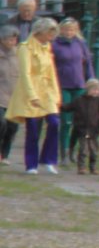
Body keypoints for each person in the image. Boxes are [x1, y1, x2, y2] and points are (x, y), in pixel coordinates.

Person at [7, 17, 63, 173]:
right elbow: (25, 74)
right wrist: (32, 96)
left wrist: (56, 94)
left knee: (54, 122)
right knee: (33, 128)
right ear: (40, 32)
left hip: (47, 91)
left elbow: (52, 72)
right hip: (30, 90)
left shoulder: (47, 48)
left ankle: (48, 159)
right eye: (49, 33)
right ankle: (31, 164)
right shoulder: (25, 48)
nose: (51, 37)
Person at [52, 17, 92, 155]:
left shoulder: (80, 43)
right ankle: (63, 150)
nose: (69, 32)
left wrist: (91, 80)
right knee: (66, 120)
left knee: (80, 120)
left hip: (79, 84)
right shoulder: (55, 44)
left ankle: (75, 149)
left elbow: (88, 63)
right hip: (63, 85)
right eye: (66, 29)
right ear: (61, 30)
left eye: (72, 30)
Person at [67, 78, 99, 174]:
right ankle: (81, 167)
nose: (96, 92)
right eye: (94, 89)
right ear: (88, 89)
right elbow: (68, 107)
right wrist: (59, 106)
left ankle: (93, 167)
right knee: (83, 149)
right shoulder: (79, 100)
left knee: (94, 150)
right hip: (81, 129)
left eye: (98, 90)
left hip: (94, 130)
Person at [0, 25, 19, 164]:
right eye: (9, 39)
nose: (12, 42)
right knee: (1, 123)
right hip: (0, 95)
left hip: (14, 97)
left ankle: (5, 154)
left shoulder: (19, 54)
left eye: (14, 39)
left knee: (12, 127)